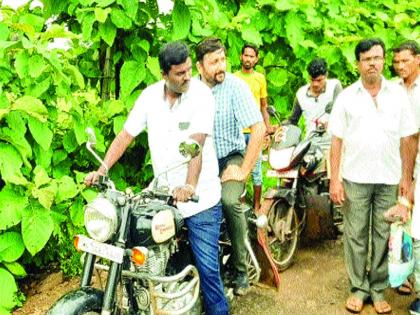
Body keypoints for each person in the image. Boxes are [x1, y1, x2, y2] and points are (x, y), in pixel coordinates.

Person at [84, 41, 228, 315]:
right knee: (134, 254)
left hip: (200, 199)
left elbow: (196, 144)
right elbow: (125, 136)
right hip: (160, 194)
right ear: (164, 74)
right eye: (180, 73)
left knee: (208, 271)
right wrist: (101, 170)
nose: (187, 77)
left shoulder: (202, 96)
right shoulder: (149, 98)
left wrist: (190, 185)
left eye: (188, 70)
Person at [328, 38, 417, 314]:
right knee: (355, 234)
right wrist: (334, 179)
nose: (373, 64)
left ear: (383, 59)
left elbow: (409, 138)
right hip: (355, 177)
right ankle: (358, 287)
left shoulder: (398, 95)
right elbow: (336, 141)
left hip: (389, 177)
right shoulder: (346, 97)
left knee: (382, 234)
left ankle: (378, 288)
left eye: (378, 58)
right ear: (358, 63)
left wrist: (406, 177)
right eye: (367, 59)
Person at [195, 37, 266, 295]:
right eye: (214, 62)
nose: (220, 66)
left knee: (228, 201)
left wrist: (244, 170)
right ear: (200, 67)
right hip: (201, 163)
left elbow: (259, 129)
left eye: (223, 59)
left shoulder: (235, 87)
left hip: (231, 158)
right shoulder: (191, 90)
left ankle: (240, 270)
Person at [393, 40, 420, 313]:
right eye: (397, 62)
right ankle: (403, 275)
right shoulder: (392, 89)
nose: (400, 66)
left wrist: (411, 180)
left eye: (406, 61)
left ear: (418, 60)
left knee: (417, 227)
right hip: (396, 163)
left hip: (418, 164)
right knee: (400, 225)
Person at [234, 43, 273, 211]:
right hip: (237, 132)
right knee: (239, 171)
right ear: (241, 57)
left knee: (256, 170)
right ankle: (240, 208)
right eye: (246, 55)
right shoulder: (233, 78)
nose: (248, 59)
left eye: (252, 56)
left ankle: (257, 208)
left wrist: (267, 129)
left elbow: (263, 106)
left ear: (256, 59)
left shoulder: (260, 79)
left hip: (255, 132)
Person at [285, 57, 342, 137]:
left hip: (332, 139)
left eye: (319, 80)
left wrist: (331, 123)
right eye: (312, 80)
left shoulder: (335, 86)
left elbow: (341, 111)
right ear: (308, 77)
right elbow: (293, 120)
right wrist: (278, 127)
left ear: (326, 75)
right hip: (311, 141)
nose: (315, 84)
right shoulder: (301, 94)